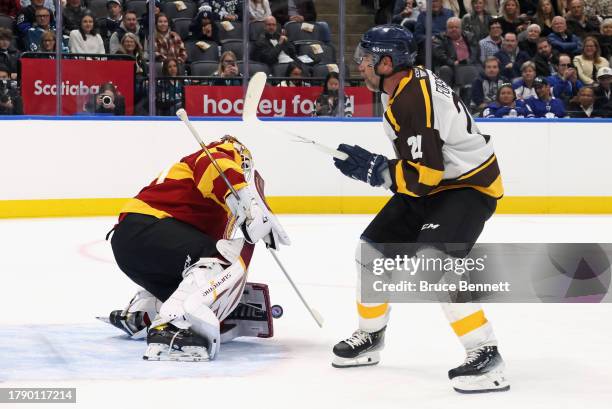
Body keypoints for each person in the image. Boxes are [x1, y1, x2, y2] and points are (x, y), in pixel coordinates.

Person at [331, 24, 508, 394]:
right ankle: (371, 336)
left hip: (468, 186)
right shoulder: (397, 85)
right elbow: (422, 170)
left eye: (366, 58)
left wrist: (376, 171)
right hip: (437, 183)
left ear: (387, 62)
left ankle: (486, 355)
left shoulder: (411, 98)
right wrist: (381, 169)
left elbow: (425, 175)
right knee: (371, 253)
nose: (360, 64)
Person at [108, 135, 288, 361]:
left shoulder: (213, 203)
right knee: (222, 257)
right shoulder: (221, 153)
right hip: (151, 227)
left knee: (197, 274)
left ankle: (143, 312)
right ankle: (173, 326)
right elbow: (215, 164)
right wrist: (250, 206)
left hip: (131, 243)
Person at [432, 17, 479, 87]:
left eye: (456, 27)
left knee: (481, 68)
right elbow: (440, 54)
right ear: (446, 29)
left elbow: (475, 52)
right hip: (451, 65)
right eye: (451, 27)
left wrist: (470, 61)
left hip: (469, 64)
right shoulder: (439, 38)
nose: (454, 29)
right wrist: (453, 62)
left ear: (461, 28)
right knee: (446, 69)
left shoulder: (469, 36)